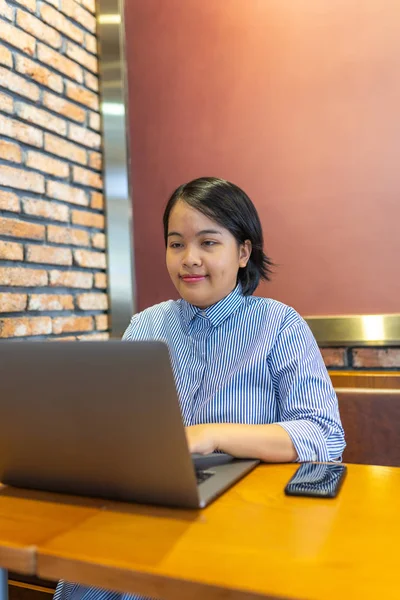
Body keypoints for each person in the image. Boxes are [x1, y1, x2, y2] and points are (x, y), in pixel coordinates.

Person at [54, 177, 345, 600]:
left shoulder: (280, 325)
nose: (189, 259)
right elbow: (119, 427)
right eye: (176, 244)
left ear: (243, 252)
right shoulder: (146, 325)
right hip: (150, 508)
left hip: (244, 522)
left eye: (208, 243)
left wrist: (212, 434)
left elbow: (324, 436)